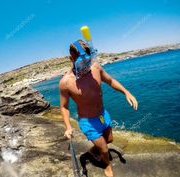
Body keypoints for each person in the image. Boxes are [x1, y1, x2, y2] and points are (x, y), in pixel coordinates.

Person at [59, 39, 138, 177]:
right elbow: (64, 107)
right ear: (71, 59)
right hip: (88, 122)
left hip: (102, 114)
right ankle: (107, 166)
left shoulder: (95, 68)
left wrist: (126, 92)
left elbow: (111, 81)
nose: (85, 67)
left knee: (110, 140)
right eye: (81, 63)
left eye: (87, 61)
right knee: (104, 148)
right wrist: (68, 127)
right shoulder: (65, 82)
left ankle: (93, 151)